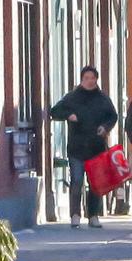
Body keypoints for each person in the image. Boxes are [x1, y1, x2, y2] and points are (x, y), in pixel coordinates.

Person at [50, 65, 118, 228]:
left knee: (95, 183)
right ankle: (75, 215)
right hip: (76, 148)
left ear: (96, 79)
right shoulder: (72, 97)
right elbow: (54, 111)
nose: (89, 81)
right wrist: (68, 115)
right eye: (86, 78)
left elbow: (113, 116)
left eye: (92, 78)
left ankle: (93, 215)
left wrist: (105, 127)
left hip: (96, 147)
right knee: (77, 181)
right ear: (82, 80)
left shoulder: (102, 99)